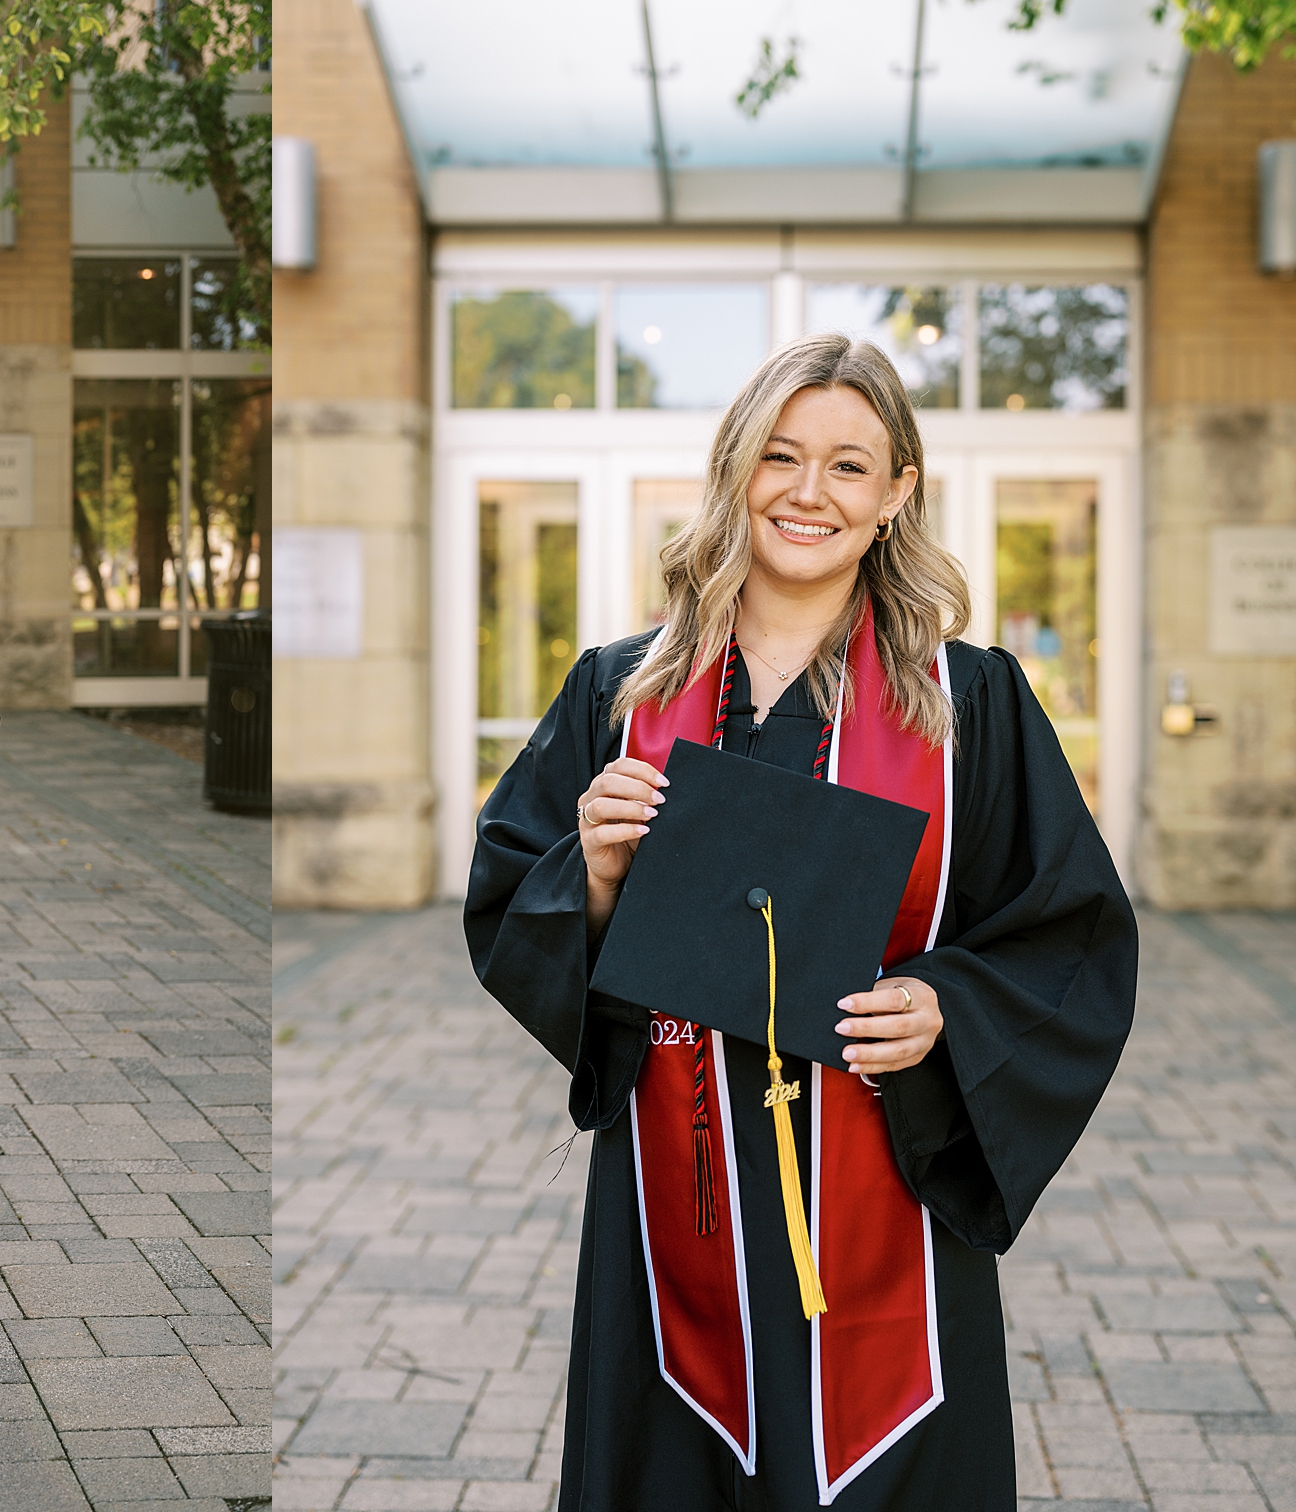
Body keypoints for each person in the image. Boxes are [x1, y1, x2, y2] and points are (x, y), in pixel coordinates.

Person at [465, 333, 1136, 1510]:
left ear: (894, 495)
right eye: (779, 457)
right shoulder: (619, 695)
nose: (808, 492)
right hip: (674, 1198)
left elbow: (1066, 930)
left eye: (846, 464)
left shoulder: (966, 705)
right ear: (734, 472)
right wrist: (598, 872)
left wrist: (946, 1005)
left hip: (884, 1178)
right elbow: (507, 894)